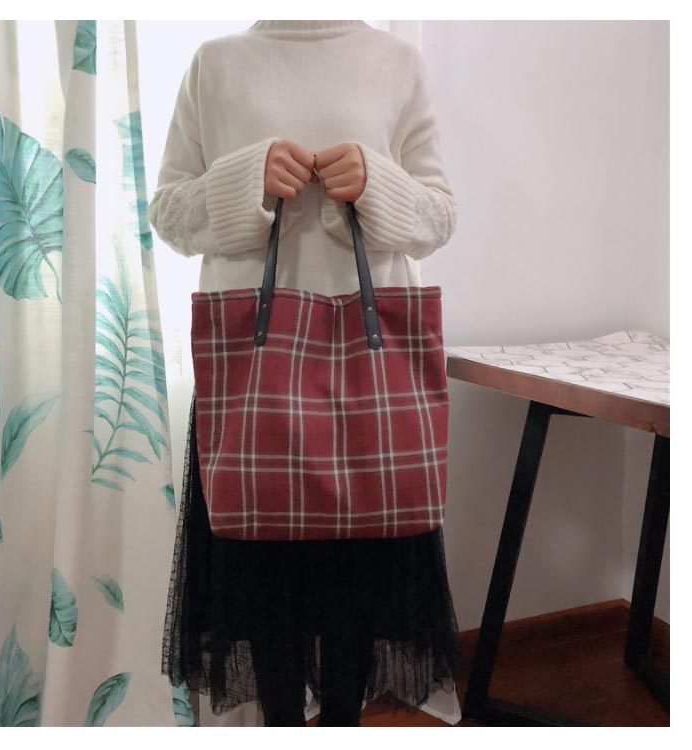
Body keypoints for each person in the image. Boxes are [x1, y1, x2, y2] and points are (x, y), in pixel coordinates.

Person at [149, 19, 463, 727]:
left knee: (358, 595)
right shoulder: (215, 63)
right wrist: (244, 180)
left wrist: (378, 184)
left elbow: (440, 218)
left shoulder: (396, 60)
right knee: (266, 596)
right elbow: (168, 213)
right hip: (253, 385)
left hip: (369, 383)